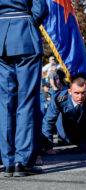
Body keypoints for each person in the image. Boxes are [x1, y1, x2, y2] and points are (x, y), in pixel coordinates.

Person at [0, 0, 48, 177]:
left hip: (1, 37)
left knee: (5, 104)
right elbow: (41, 9)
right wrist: (28, 22)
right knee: (26, 101)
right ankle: (23, 161)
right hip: (25, 35)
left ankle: (9, 162)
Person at [41, 77, 86, 153]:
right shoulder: (59, 99)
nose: (80, 97)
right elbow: (48, 120)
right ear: (70, 91)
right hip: (65, 132)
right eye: (76, 93)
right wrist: (48, 146)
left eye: (83, 93)